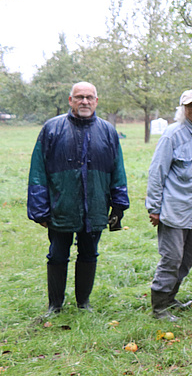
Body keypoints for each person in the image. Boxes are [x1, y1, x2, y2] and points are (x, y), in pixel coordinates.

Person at [27, 82, 129, 316]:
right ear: (70, 100)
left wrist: (119, 205)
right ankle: (55, 304)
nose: (85, 101)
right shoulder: (52, 129)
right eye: (80, 97)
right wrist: (39, 208)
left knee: (89, 253)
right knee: (57, 254)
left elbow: (118, 169)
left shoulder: (107, 131)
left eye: (89, 97)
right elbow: (38, 171)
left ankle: (83, 302)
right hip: (61, 206)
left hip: (95, 206)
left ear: (96, 100)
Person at [146, 90, 192, 321]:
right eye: (191, 106)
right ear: (182, 110)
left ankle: (170, 298)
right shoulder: (172, 135)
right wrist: (154, 207)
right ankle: (159, 307)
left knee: (186, 260)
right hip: (174, 211)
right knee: (171, 259)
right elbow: (157, 172)